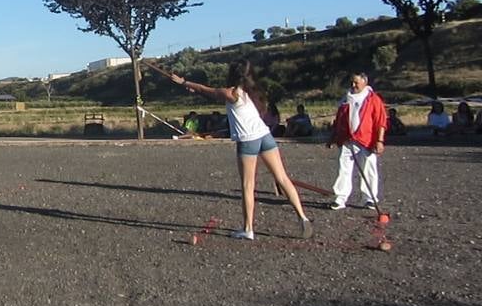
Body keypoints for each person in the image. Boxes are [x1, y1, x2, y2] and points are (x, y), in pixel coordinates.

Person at [165, 60, 313, 241]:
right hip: (265, 136)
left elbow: (207, 90)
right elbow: (208, 93)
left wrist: (183, 82)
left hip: (248, 140)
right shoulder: (252, 91)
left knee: (248, 186)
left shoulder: (232, 93)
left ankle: (248, 229)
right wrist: (193, 88)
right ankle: (302, 216)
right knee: (282, 178)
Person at [327, 72, 387, 210]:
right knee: (344, 169)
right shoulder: (346, 99)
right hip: (347, 140)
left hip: (366, 140)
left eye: (356, 83)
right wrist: (333, 137)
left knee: (368, 169)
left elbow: (381, 121)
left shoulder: (373, 99)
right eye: (352, 83)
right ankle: (341, 198)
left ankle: (370, 198)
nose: (353, 85)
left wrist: (379, 140)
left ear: (364, 82)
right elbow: (339, 121)